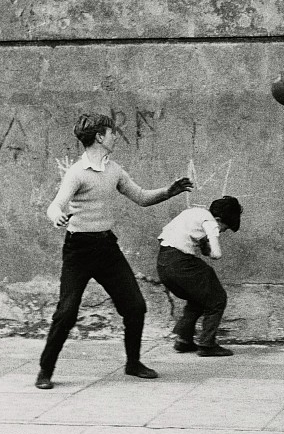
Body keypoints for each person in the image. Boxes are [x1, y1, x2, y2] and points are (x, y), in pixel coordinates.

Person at [35, 113, 193, 389]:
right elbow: (55, 205)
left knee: (135, 307)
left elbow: (141, 197)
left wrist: (170, 191)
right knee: (66, 313)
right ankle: (45, 371)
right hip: (79, 250)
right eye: (112, 132)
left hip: (107, 248)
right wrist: (56, 217)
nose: (116, 136)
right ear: (99, 137)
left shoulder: (114, 170)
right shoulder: (77, 173)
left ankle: (133, 363)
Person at [156, 196, 243, 357]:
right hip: (181, 262)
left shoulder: (194, 213)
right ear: (218, 219)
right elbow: (216, 254)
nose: (223, 231)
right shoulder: (210, 222)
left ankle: (184, 340)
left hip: (163, 263)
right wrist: (213, 248)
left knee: (198, 297)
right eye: (225, 226)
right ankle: (207, 344)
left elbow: (193, 240)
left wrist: (205, 247)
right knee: (217, 298)